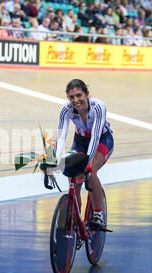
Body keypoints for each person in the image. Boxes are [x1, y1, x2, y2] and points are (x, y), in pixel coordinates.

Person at [46, 79, 114, 230]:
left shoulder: (98, 107)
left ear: (87, 94)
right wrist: (54, 160)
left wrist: (87, 164)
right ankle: (75, 219)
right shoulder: (66, 110)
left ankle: (98, 214)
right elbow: (61, 136)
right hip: (81, 140)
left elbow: (95, 136)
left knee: (90, 172)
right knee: (73, 176)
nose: (76, 100)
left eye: (79, 95)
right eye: (71, 97)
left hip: (102, 139)